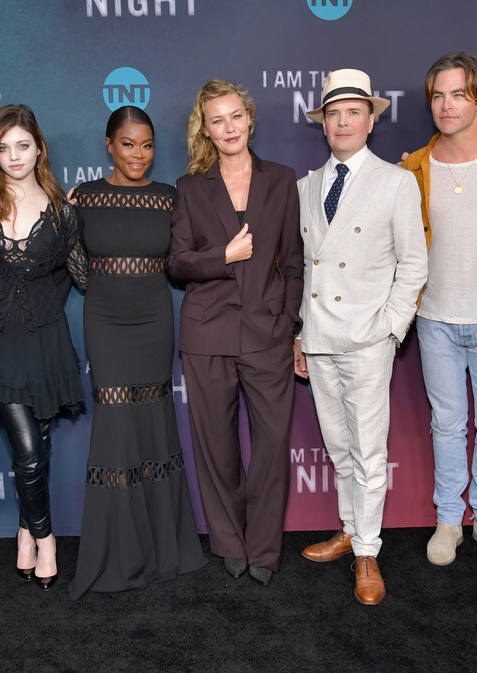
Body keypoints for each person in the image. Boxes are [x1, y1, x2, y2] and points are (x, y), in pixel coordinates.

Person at [296, 69, 427, 605]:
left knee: (370, 451)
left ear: (371, 121)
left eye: (353, 112)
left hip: (369, 338)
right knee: (339, 446)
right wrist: (300, 334)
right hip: (320, 338)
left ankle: (369, 550)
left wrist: (391, 329)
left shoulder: (396, 182)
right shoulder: (306, 186)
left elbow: (413, 265)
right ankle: (350, 530)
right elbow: (306, 268)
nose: (343, 121)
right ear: (323, 123)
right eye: (334, 113)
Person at [167, 80, 304, 586]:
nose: (228, 128)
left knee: (271, 446)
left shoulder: (281, 179)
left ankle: (265, 549)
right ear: (205, 130)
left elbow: (294, 263)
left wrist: (287, 324)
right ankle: (229, 542)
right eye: (217, 120)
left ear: (249, 118)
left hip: (267, 335)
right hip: (207, 334)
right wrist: (222, 257)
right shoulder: (191, 187)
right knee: (216, 448)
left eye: (235, 116)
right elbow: (177, 263)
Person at [68, 106, 206, 598]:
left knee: (152, 423)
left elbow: (181, 260)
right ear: (109, 145)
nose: (138, 154)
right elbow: (78, 270)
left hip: (153, 320)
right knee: (115, 426)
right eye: (128, 144)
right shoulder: (83, 197)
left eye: (147, 145)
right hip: (106, 322)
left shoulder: (169, 198)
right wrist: (64, 217)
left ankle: (162, 550)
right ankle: (117, 554)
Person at [0, 104, 86, 590]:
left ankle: (24, 534)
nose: (14, 156)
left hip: (44, 339)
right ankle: (47, 539)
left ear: (39, 149)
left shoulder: (61, 211)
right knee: (29, 450)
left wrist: (92, 215)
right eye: (4, 147)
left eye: (23, 146)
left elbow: (84, 276)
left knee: (41, 444)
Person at [400, 53, 477, 568]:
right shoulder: (412, 168)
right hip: (434, 319)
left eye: (459, 94)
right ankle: (449, 519)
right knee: (447, 425)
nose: (446, 105)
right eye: (438, 95)